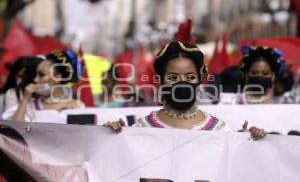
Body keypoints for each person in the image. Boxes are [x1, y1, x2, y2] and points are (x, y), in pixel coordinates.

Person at [105, 41, 266, 140]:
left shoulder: (220, 131)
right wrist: (110, 137)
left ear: (200, 80)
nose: (182, 83)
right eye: (173, 78)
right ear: (160, 81)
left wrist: (249, 142)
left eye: (190, 77)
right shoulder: (140, 129)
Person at [2, 50, 84, 122]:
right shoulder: (31, 105)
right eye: (36, 74)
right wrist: (25, 100)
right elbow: (15, 130)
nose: (35, 80)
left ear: (57, 78)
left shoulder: (76, 106)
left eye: (41, 75)